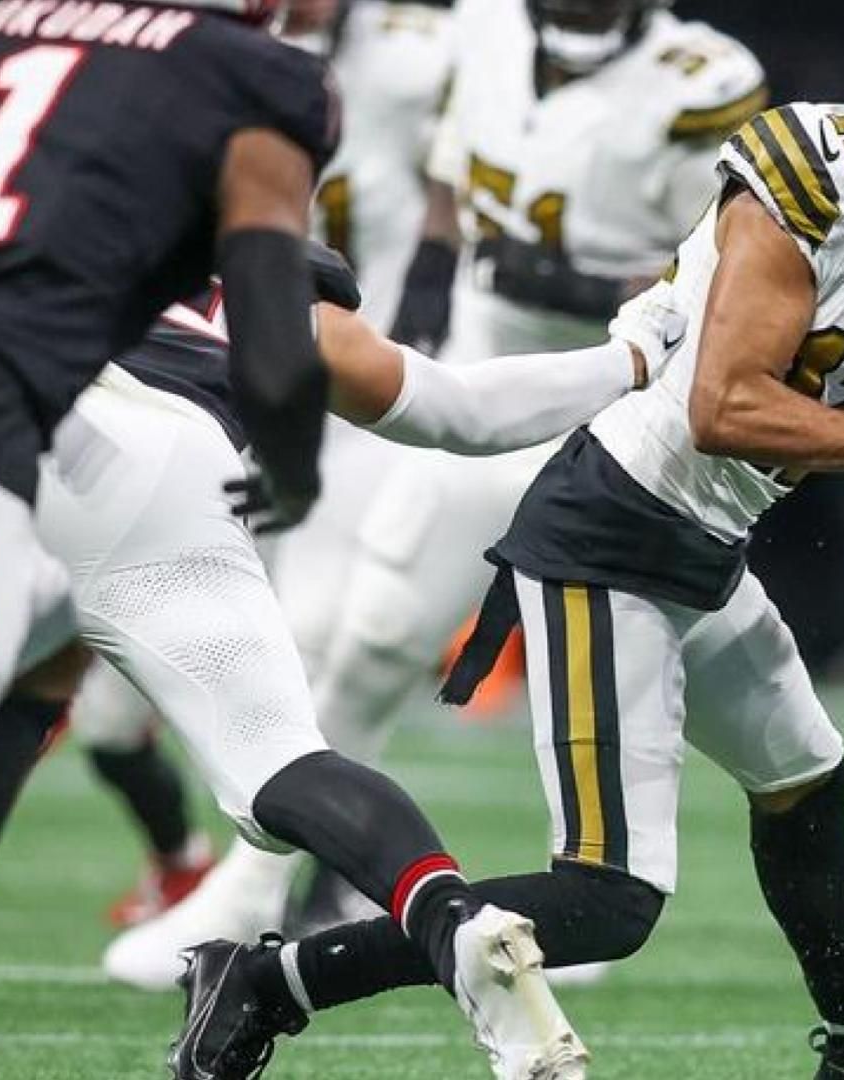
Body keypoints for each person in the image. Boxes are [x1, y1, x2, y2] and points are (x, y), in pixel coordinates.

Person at [168, 1, 844, 1076]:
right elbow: (723, 407)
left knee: (805, 781)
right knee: (606, 900)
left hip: (709, 540)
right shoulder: (826, 174)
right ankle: (266, 979)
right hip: (614, 527)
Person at [0, 3, 585, 1076]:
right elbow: (454, 409)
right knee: (281, 760)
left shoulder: (3, 72)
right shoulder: (260, 134)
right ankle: (459, 919)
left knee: (14, 710)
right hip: (185, 462)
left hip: (16, 423)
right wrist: (637, 363)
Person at [105, 0, 769, 988]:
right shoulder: (487, 25)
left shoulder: (702, 78)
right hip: (485, 361)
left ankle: (588, 896)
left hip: (637, 400)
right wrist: (435, 267)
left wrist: (592, 290)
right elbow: (452, 174)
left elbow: (736, 265)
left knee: (702, 679)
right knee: (372, 631)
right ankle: (254, 896)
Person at [75, 0, 460, 933]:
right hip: (187, 373)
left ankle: (309, 892)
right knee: (106, 726)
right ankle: (181, 868)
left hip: (336, 364)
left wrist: (430, 281)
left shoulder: (423, 53)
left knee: (328, 636)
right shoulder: (172, 53)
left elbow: (469, 187)